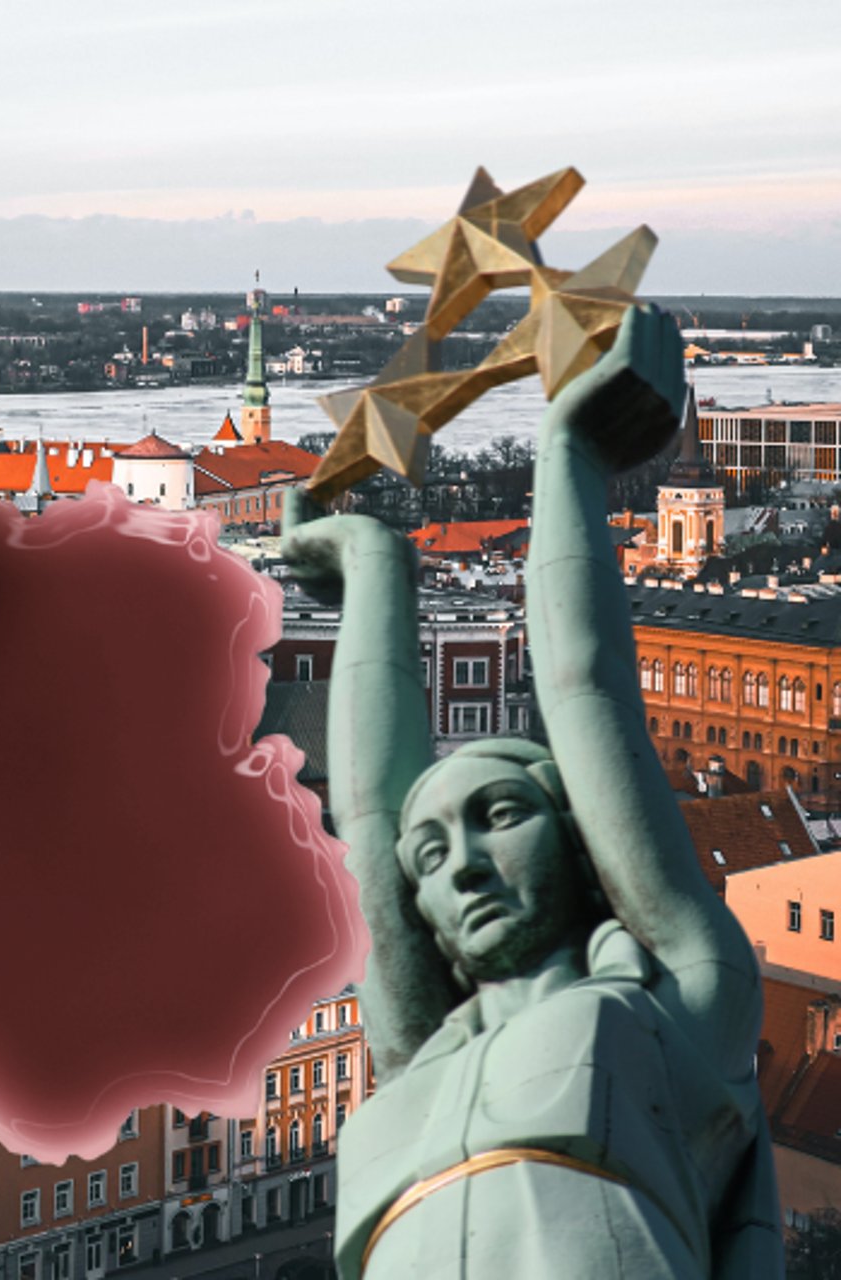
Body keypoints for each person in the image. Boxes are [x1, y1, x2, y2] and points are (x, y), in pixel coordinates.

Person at [281, 305, 782, 1278]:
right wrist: (372, 562)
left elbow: (585, 689)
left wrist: (571, 454)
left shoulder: (677, 1003)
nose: (460, 860)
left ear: (576, 830)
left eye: (498, 815)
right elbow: (373, 809)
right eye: (430, 856)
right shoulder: (424, 1045)